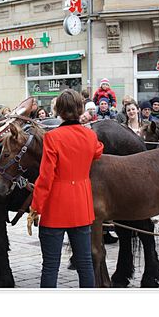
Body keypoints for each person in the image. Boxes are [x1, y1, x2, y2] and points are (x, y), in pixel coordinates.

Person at [30, 89, 103, 288]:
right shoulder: (89, 136)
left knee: (51, 266)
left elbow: (45, 177)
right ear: (80, 110)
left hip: (55, 207)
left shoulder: (53, 137)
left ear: (59, 111)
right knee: (85, 264)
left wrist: (36, 207)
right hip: (81, 205)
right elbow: (98, 150)